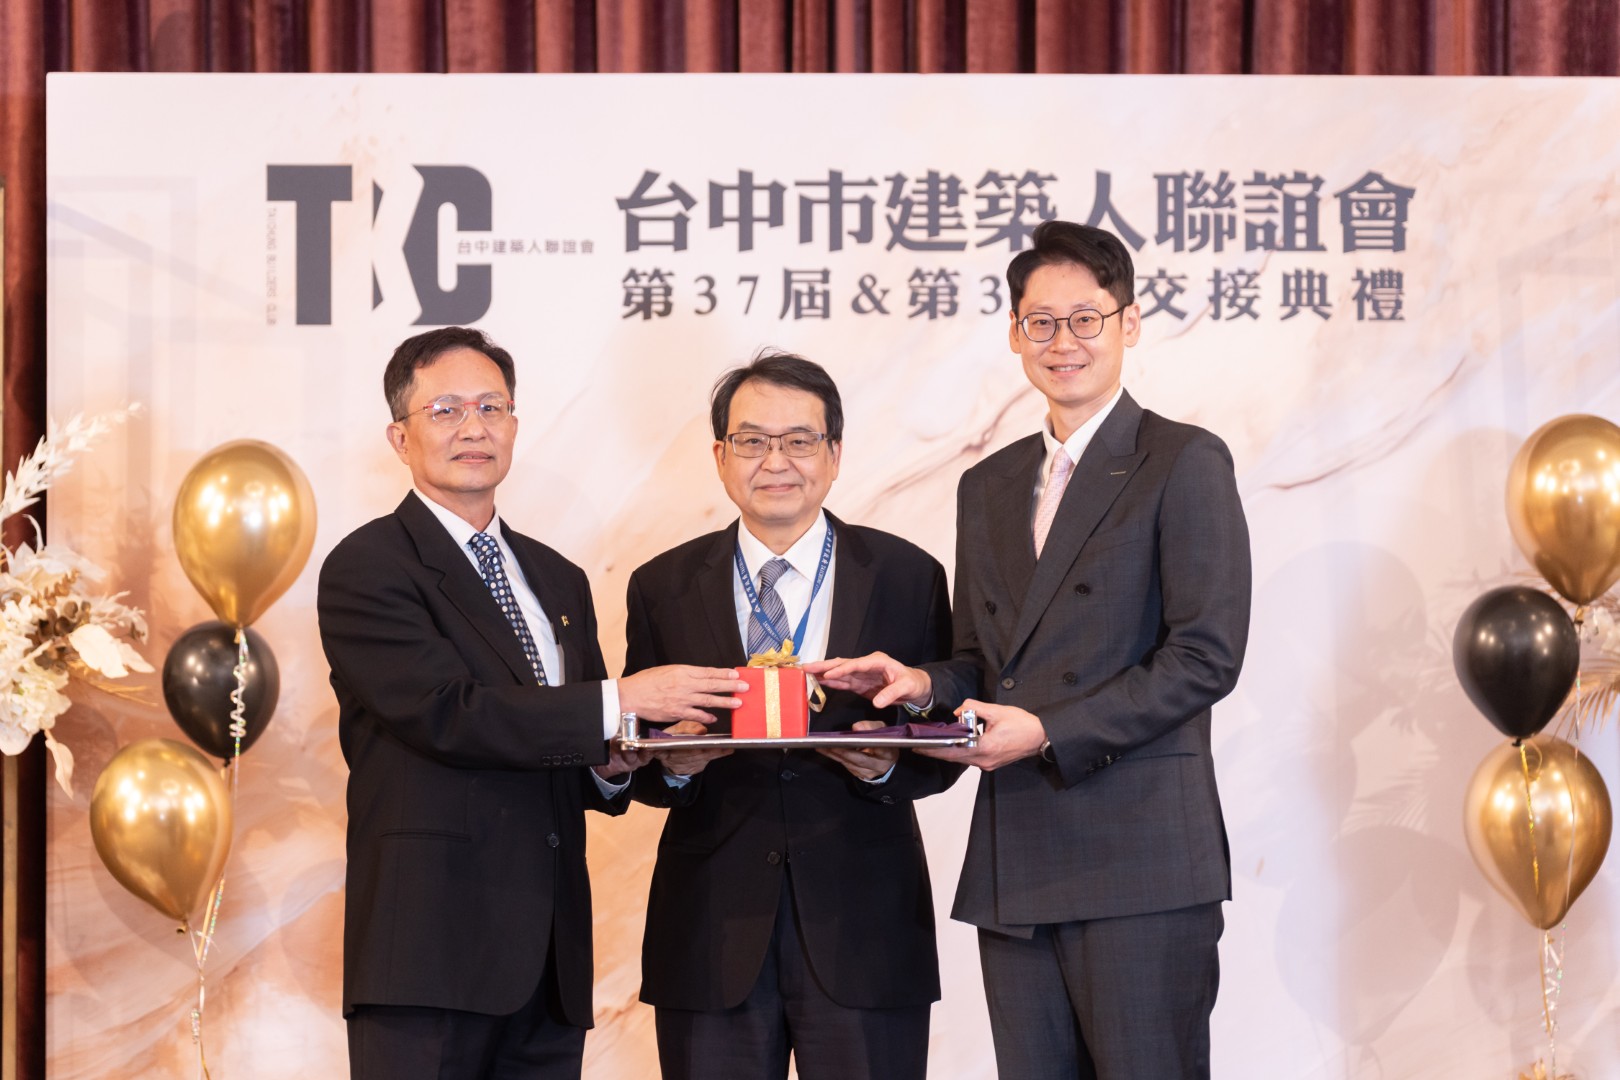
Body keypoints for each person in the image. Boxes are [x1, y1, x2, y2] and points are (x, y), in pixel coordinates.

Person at [809, 221, 1252, 1079]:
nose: (1063, 342)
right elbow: (985, 660)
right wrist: (920, 682)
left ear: (1129, 323)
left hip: (1142, 861)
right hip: (1018, 857)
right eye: (1040, 323)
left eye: (1086, 319)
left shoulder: (1183, 460)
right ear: (1015, 334)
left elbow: (1206, 656)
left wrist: (1047, 731)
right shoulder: (990, 482)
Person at [316, 326, 748, 1080]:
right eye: (446, 410)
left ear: (515, 425)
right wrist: (620, 700)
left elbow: (573, 751)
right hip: (428, 958)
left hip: (550, 964)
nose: (474, 427)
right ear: (400, 437)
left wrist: (630, 760)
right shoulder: (369, 566)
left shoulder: (557, 578)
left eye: (492, 407)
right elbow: (449, 713)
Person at [624, 350, 959, 1080]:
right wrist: (672, 768)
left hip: (867, 931)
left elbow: (943, 742)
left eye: (800, 440)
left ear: (834, 455)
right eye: (752, 440)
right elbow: (635, 753)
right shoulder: (661, 586)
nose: (776, 461)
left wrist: (885, 769)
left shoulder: (907, 575)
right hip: (709, 932)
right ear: (720, 456)